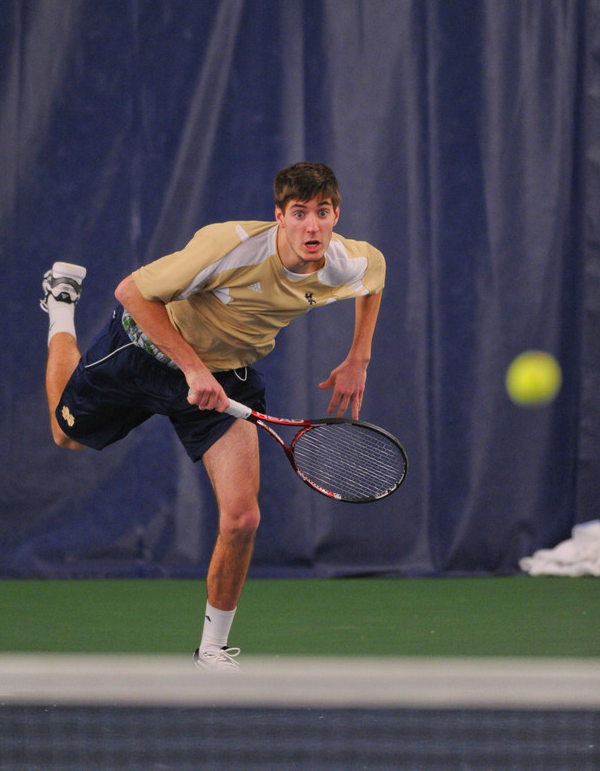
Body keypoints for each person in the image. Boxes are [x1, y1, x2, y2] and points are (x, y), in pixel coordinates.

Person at [41, 161, 385, 669]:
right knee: (65, 435)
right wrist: (190, 368)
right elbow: (132, 293)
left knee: (243, 518)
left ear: (336, 215)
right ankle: (60, 306)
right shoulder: (230, 246)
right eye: (299, 213)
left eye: (323, 212)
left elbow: (373, 283)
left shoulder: (346, 261)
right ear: (280, 216)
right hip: (142, 352)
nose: (312, 226)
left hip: (226, 377)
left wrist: (360, 357)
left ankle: (211, 651)